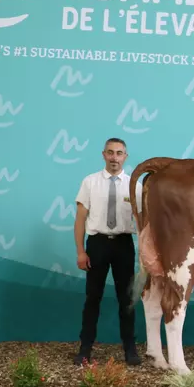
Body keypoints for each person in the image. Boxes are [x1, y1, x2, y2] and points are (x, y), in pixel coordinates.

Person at [73, 138, 143, 366]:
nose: (115, 157)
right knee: (93, 298)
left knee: (127, 300)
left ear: (126, 157)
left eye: (119, 153)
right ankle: (85, 349)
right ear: (103, 155)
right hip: (98, 244)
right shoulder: (90, 182)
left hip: (124, 245)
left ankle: (130, 349)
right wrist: (81, 251)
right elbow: (80, 220)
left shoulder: (134, 185)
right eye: (110, 153)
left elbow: (143, 221)